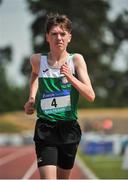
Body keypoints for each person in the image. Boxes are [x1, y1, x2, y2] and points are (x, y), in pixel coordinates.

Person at [24, 13, 95, 179]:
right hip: (45, 129)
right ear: (47, 37)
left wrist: (70, 77)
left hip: (68, 129)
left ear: (69, 37)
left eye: (63, 34)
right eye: (54, 34)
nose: (59, 38)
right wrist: (31, 97)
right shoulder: (37, 60)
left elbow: (91, 95)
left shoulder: (76, 60)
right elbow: (35, 75)